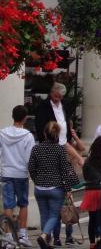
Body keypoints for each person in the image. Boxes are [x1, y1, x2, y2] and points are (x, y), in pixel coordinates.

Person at [27, 122, 79, 249]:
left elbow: (31, 167)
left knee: (44, 215)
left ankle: (46, 243)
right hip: (56, 188)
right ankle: (44, 236)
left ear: (45, 133)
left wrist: (37, 180)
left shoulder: (36, 148)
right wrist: (68, 189)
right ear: (57, 134)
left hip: (40, 188)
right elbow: (64, 171)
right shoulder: (60, 149)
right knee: (54, 215)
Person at [1, 105, 35, 248]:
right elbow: (30, 158)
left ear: (13, 116)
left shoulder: (2, 133)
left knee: (8, 204)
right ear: (25, 118)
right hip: (21, 174)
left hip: (6, 173)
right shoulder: (28, 136)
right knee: (23, 204)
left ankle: (8, 236)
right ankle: (22, 234)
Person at [80, 137, 101, 249]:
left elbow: (85, 175)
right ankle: (100, 237)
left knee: (92, 218)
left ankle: (92, 242)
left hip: (90, 190)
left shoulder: (88, 161)